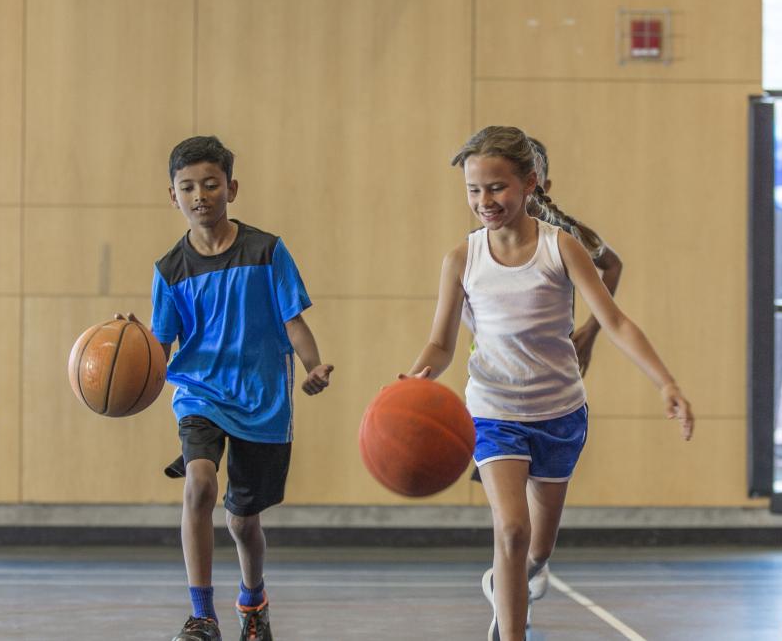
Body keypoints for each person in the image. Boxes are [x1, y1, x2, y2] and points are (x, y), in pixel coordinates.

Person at [404, 126, 692, 641]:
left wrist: (664, 382)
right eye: (473, 190)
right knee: (511, 530)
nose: (484, 200)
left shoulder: (562, 249)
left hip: (560, 414)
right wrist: (416, 377)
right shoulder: (461, 259)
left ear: (529, 183)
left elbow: (618, 321)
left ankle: (509, 582)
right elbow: (441, 344)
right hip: (493, 412)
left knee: (536, 547)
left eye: (496, 187)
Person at [152, 135, 333, 641]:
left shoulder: (266, 251)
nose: (199, 196)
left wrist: (312, 366)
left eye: (210, 184)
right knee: (199, 486)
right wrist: (134, 360)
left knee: (242, 522)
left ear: (231, 188)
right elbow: (159, 347)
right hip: (199, 393)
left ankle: (253, 600)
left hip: (261, 399)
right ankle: (201, 615)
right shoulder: (169, 271)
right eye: (187, 187)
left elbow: (293, 320)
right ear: (173, 196)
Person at [525, 137, 623, 376]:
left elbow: (612, 265)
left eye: (530, 183)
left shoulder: (566, 235)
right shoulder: (480, 242)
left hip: (555, 369)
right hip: (499, 377)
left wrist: (591, 330)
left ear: (543, 187)